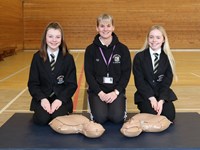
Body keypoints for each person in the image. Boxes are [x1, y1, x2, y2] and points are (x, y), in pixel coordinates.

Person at [84, 14, 131, 124]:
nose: (105, 29)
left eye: (108, 26)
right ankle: (95, 103)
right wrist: (100, 93)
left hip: (115, 91)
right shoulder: (90, 50)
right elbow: (89, 74)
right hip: (97, 91)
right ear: (97, 28)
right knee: (100, 118)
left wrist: (116, 92)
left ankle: (120, 102)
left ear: (113, 27)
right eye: (102, 26)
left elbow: (126, 74)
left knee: (117, 118)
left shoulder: (123, 49)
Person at [28, 22, 77, 125]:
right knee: (42, 119)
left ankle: (62, 110)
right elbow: (32, 83)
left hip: (61, 97)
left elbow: (72, 85)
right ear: (45, 38)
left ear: (61, 39)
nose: (54, 40)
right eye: (50, 36)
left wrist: (60, 100)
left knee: (57, 118)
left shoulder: (68, 58)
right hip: (43, 96)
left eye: (57, 37)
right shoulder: (37, 57)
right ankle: (40, 111)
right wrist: (42, 99)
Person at [132, 25, 177, 122]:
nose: (154, 40)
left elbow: (166, 82)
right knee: (152, 115)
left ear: (163, 39)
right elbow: (139, 82)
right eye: (151, 37)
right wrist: (151, 98)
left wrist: (161, 100)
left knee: (169, 116)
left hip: (162, 93)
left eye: (158, 37)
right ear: (147, 39)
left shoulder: (168, 58)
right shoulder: (139, 57)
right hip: (146, 95)